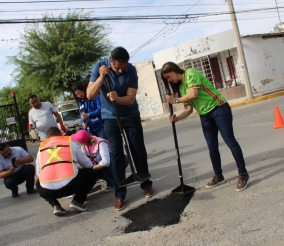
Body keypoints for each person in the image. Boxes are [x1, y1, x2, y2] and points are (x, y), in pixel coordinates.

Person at [161, 61, 249, 191]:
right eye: (167, 79)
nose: (170, 80)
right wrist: (176, 118)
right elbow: (189, 109)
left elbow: (193, 94)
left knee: (230, 141)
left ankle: (243, 174)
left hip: (219, 108)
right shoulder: (181, 88)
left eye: (169, 76)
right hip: (205, 115)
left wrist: (175, 100)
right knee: (212, 147)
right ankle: (218, 176)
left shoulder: (190, 73)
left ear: (174, 70)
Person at [86, 46, 154, 211]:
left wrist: (118, 98)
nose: (120, 69)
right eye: (117, 67)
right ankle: (120, 193)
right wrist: (101, 78)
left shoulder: (131, 70)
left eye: (123, 67)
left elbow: (130, 99)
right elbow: (89, 94)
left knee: (138, 150)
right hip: (110, 118)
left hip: (130, 116)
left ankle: (146, 183)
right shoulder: (99, 67)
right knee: (115, 154)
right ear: (111, 61)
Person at [36, 127, 97, 216]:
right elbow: (87, 164)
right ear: (60, 134)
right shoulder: (70, 144)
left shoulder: (41, 150)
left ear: (47, 138)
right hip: (71, 186)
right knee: (91, 173)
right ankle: (78, 201)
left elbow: (38, 172)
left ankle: (55, 205)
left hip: (48, 191)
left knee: (38, 183)